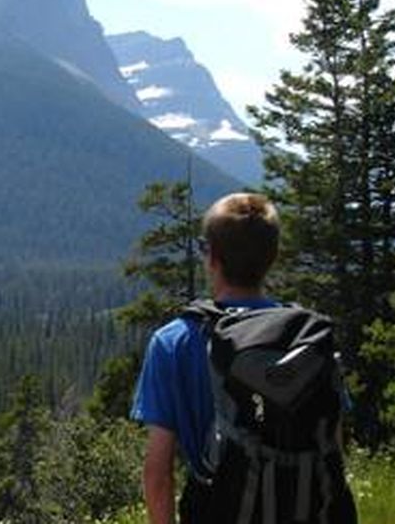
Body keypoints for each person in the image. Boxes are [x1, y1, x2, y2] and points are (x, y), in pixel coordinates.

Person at [131, 192, 349, 524]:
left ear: (212, 258)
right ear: (273, 256)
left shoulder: (174, 341)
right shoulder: (308, 338)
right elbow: (333, 447)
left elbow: (158, 475)